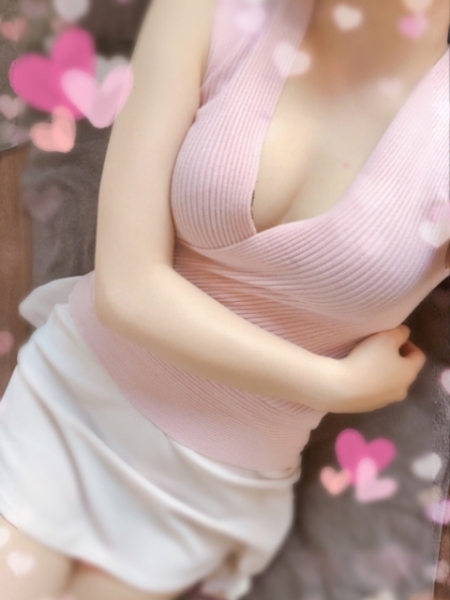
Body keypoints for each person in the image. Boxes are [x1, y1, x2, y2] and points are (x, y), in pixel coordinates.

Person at [0, 0, 448, 599]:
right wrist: (332, 385)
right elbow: (127, 291)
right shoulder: (207, 11)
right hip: (70, 406)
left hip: (217, 489)